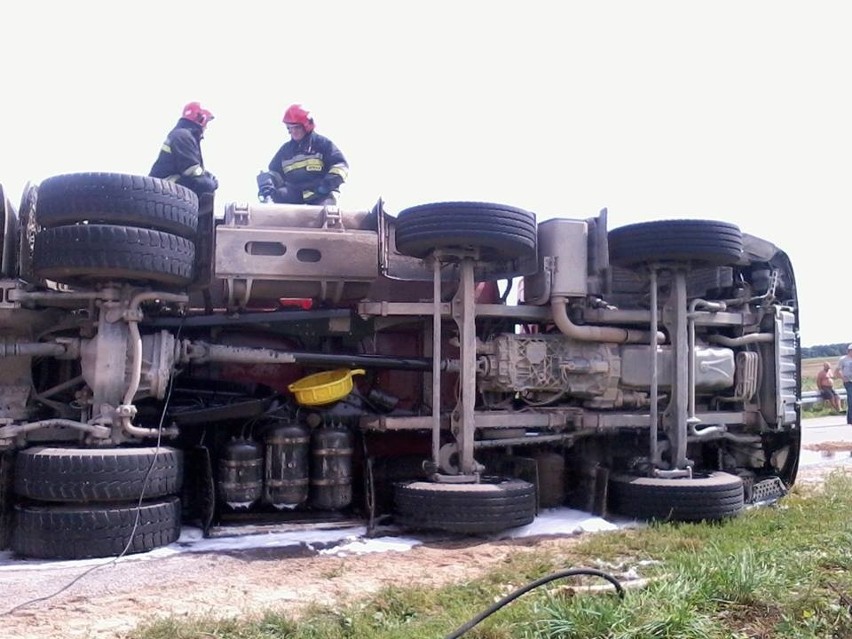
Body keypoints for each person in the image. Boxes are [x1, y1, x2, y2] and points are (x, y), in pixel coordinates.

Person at [257, 104, 348, 206]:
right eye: (290, 128)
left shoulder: (323, 144)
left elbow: (340, 166)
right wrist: (267, 185)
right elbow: (275, 172)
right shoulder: (285, 151)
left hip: (319, 194)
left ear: (306, 126)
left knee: (326, 210)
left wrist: (325, 186)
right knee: (273, 194)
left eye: (297, 127)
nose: (293, 131)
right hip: (294, 194)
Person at [149, 101, 219, 198]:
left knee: (205, 181)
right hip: (163, 184)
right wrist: (210, 179)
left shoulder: (184, 134)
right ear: (201, 119)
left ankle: (189, 210)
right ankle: (192, 212)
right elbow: (191, 170)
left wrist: (208, 175)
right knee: (205, 184)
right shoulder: (183, 136)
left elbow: (194, 168)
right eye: (206, 122)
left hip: (166, 182)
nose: (206, 127)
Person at [835, 344, 852, 425]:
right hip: (848, 381)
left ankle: (850, 419)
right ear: (849, 351)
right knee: (851, 398)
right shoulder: (843, 359)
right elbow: (837, 371)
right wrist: (843, 378)